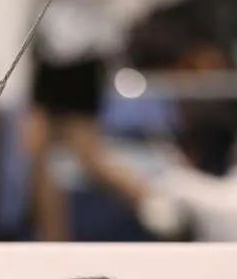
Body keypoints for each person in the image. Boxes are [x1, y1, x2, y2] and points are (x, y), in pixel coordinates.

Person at [22, 0, 153, 241]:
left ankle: (153, 201)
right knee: (37, 152)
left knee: (88, 155)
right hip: (50, 50)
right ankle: (53, 240)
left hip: (81, 54)